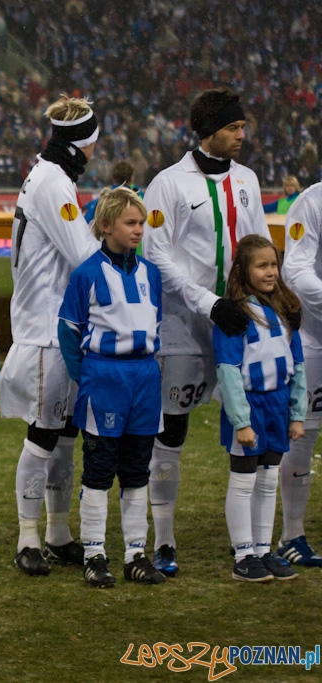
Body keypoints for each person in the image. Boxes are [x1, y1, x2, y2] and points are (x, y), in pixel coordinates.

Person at [142, 87, 273, 577]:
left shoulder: (248, 180)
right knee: (170, 432)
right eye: (235, 128)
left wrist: (258, 304)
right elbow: (157, 255)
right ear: (210, 130)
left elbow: (257, 245)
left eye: (242, 127)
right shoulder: (169, 184)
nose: (243, 135)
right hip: (184, 327)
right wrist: (207, 302)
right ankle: (165, 538)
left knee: (251, 426)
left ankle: (253, 541)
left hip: (239, 324)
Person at [0, 94, 101, 576]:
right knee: (43, 436)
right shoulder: (55, 183)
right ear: (84, 145)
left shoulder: (44, 173)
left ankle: (57, 532)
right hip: (46, 327)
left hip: (54, 324)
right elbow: (84, 257)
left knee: (63, 436)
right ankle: (26, 538)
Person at [58, 187, 166, 588]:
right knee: (100, 469)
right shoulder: (86, 273)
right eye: (131, 223)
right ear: (106, 226)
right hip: (104, 377)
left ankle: (136, 554)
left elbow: (155, 323)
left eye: (142, 223)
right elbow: (69, 331)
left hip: (144, 378)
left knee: (138, 469)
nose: (140, 230)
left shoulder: (151, 274)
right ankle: (94, 554)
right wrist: (85, 375)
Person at [213, 235, 305, 582]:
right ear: (243, 270)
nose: (271, 272)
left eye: (274, 265)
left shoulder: (284, 310)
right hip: (250, 407)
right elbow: (228, 371)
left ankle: (264, 550)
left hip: (278, 406)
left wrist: (297, 414)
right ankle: (243, 554)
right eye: (262, 265)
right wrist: (241, 421)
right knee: (243, 480)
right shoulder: (234, 316)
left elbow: (297, 365)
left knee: (268, 481)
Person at [278, 181, 322, 567]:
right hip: (314, 340)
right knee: (303, 433)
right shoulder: (311, 203)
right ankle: (292, 534)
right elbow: (295, 269)